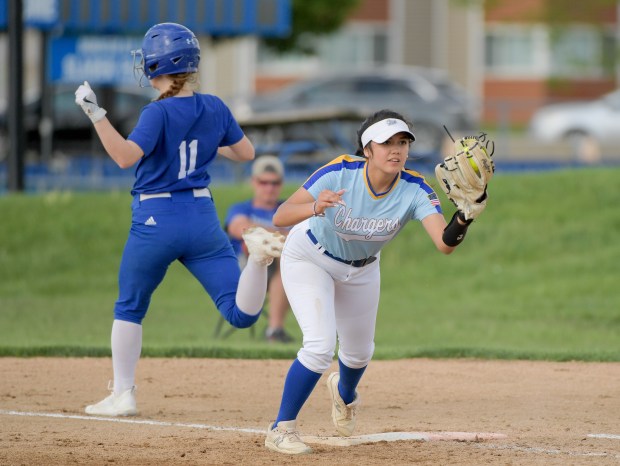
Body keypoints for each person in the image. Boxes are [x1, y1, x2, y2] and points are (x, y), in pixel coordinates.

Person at [74, 22, 284, 417]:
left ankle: (123, 394)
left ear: (156, 65)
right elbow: (246, 153)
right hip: (202, 216)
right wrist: (204, 144)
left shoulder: (157, 112)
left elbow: (123, 158)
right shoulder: (215, 106)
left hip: (156, 217)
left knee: (130, 306)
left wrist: (95, 113)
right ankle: (257, 261)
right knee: (240, 314)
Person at [263, 109, 492, 454]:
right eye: (386, 143)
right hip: (311, 256)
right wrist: (315, 207)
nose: (396, 150)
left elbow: (444, 244)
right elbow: (281, 215)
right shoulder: (340, 171)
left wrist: (464, 216)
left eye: (402, 142)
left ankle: (344, 396)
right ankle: (281, 428)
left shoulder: (414, 189)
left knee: (357, 354)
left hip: (362, 268)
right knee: (320, 345)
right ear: (367, 149)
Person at [225, 155, 293, 343]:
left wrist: (263, 234)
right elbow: (240, 229)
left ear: (281, 184)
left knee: (288, 259)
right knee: (274, 253)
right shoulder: (241, 208)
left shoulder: (288, 209)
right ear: (254, 182)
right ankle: (275, 331)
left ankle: (275, 330)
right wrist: (279, 236)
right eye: (264, 182)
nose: (269, 188)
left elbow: (304, 238)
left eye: (274, 183)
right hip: (246, 266)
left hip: (285, 267)